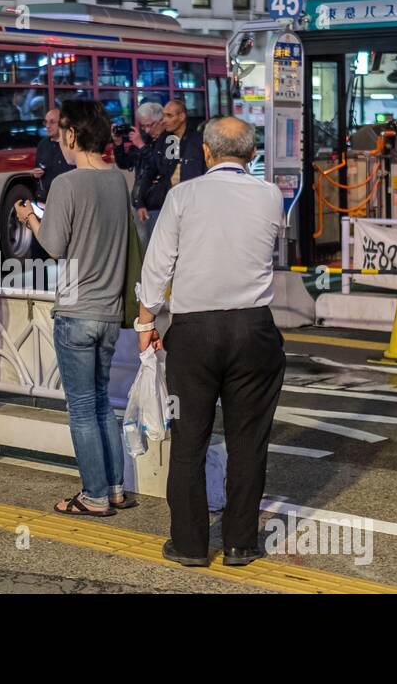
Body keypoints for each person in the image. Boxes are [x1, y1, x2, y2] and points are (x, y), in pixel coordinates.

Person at [137, 117, 285, 567]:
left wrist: (147, 323)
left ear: (205, 152)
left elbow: (157, 267)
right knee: (248, 440)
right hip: (254, 330)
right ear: (253, 153)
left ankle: (190, 544)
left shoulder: (183, 196)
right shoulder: (271, 195)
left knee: (189, 439)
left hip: (193, 334)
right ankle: (241, 542)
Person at [12, 99, 131, 517]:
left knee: (81, 406)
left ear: (74, 135)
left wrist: (28, 217)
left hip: (77, 309)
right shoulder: (118, 181)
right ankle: (115, 487)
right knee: (101, 402)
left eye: (62, 130)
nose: (58, 138)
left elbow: (54, 245)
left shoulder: (67, 183)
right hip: (110, 311)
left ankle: (94, 496)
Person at [131, 99, 205, 243]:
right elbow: (154, 170)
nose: (164, 120)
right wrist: (140, 202)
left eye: (169, 116)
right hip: (170, 207)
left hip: (194, 209)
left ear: (182, 117)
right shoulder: (170, 141)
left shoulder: (197, 141)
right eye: (163, 115)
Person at [32, 108, 75, 201]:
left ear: (62, 123)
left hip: (69, 198)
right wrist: (36, 175)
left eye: (52, 122)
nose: (47, 126)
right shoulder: (42, 145)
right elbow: (37, 170)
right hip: (47, 200)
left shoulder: (72, 144)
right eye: (46, 122)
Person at [112, 101, 165, 173]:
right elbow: (124, 164)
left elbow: (163, 169)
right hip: (141, 183)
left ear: (161, 121)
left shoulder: (172, 139)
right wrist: (118, 143)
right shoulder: (144, 138)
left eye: (149, 125)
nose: (146, 130)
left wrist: (141, 146)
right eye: (143, 126)